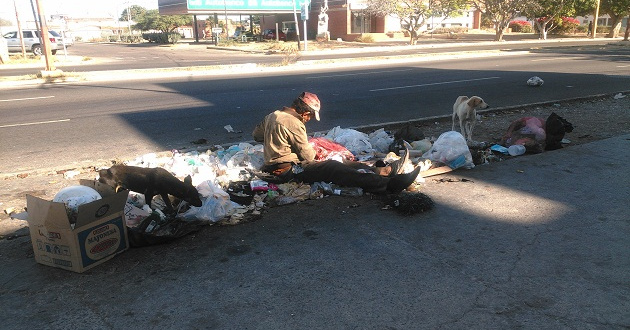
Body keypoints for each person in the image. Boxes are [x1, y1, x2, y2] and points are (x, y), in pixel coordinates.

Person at [252, 92, 420, 194]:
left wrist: (276, 141)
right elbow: (307, 155)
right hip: (286, 170)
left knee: (340, 162)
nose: (309, 120)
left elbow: (257, 135)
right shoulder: (294, 123)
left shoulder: (272, 115)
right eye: (310, 116)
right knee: (333, 168)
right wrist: (311, 149)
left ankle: (383, 170)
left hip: (278, 165)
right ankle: (388, 186)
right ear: (305, 112)